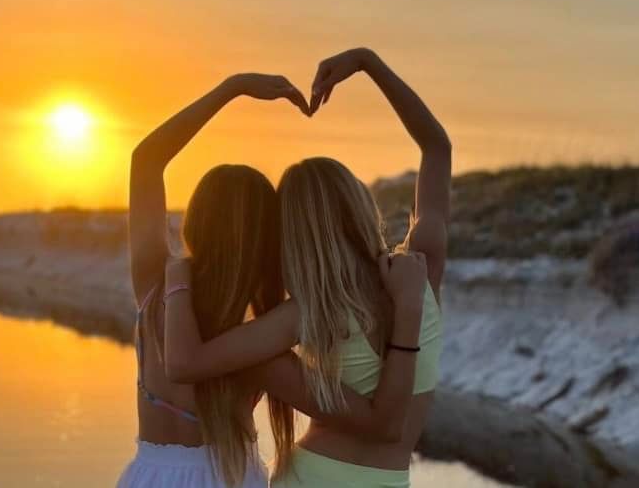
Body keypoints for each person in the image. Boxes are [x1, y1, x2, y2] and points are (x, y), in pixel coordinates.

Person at [119, 71, 430, 488]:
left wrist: (232, 89)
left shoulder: (157, 285)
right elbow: (376, 420)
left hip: (151, 476)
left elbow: (147, 159)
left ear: (196, 221)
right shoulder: (261, 330)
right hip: (232, 478)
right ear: (268, 236)